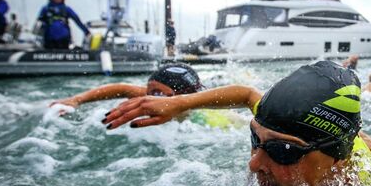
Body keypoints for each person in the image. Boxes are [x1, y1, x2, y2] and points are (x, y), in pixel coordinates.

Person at [102, 61, 371, 186]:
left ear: (334, 160)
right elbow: (248, 95)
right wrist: (180, 103)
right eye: (254, 139)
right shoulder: (287, 124)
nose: (253, 163)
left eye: (282, 151)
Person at [50, 62, 243, 128]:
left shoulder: (211, 117)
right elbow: (121, 88)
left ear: (181, 96)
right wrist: (77, 100)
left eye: (157, 94)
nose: (148, 99)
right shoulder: (151, 98)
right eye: (148, 91)